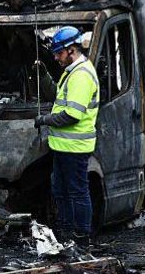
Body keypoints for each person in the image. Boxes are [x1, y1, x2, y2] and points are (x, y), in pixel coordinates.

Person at [33, 27, 100, 245]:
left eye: (59, 53)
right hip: (63, 146)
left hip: (75, 148)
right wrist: (43, 76)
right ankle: (66, 233)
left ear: (72, 50)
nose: (56, 57)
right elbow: (58, 96)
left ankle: (81, 237)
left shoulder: (81, 76)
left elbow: (72, 115)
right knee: (61, 191)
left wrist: (45, 120)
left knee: (77, 192)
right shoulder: (72, 71)